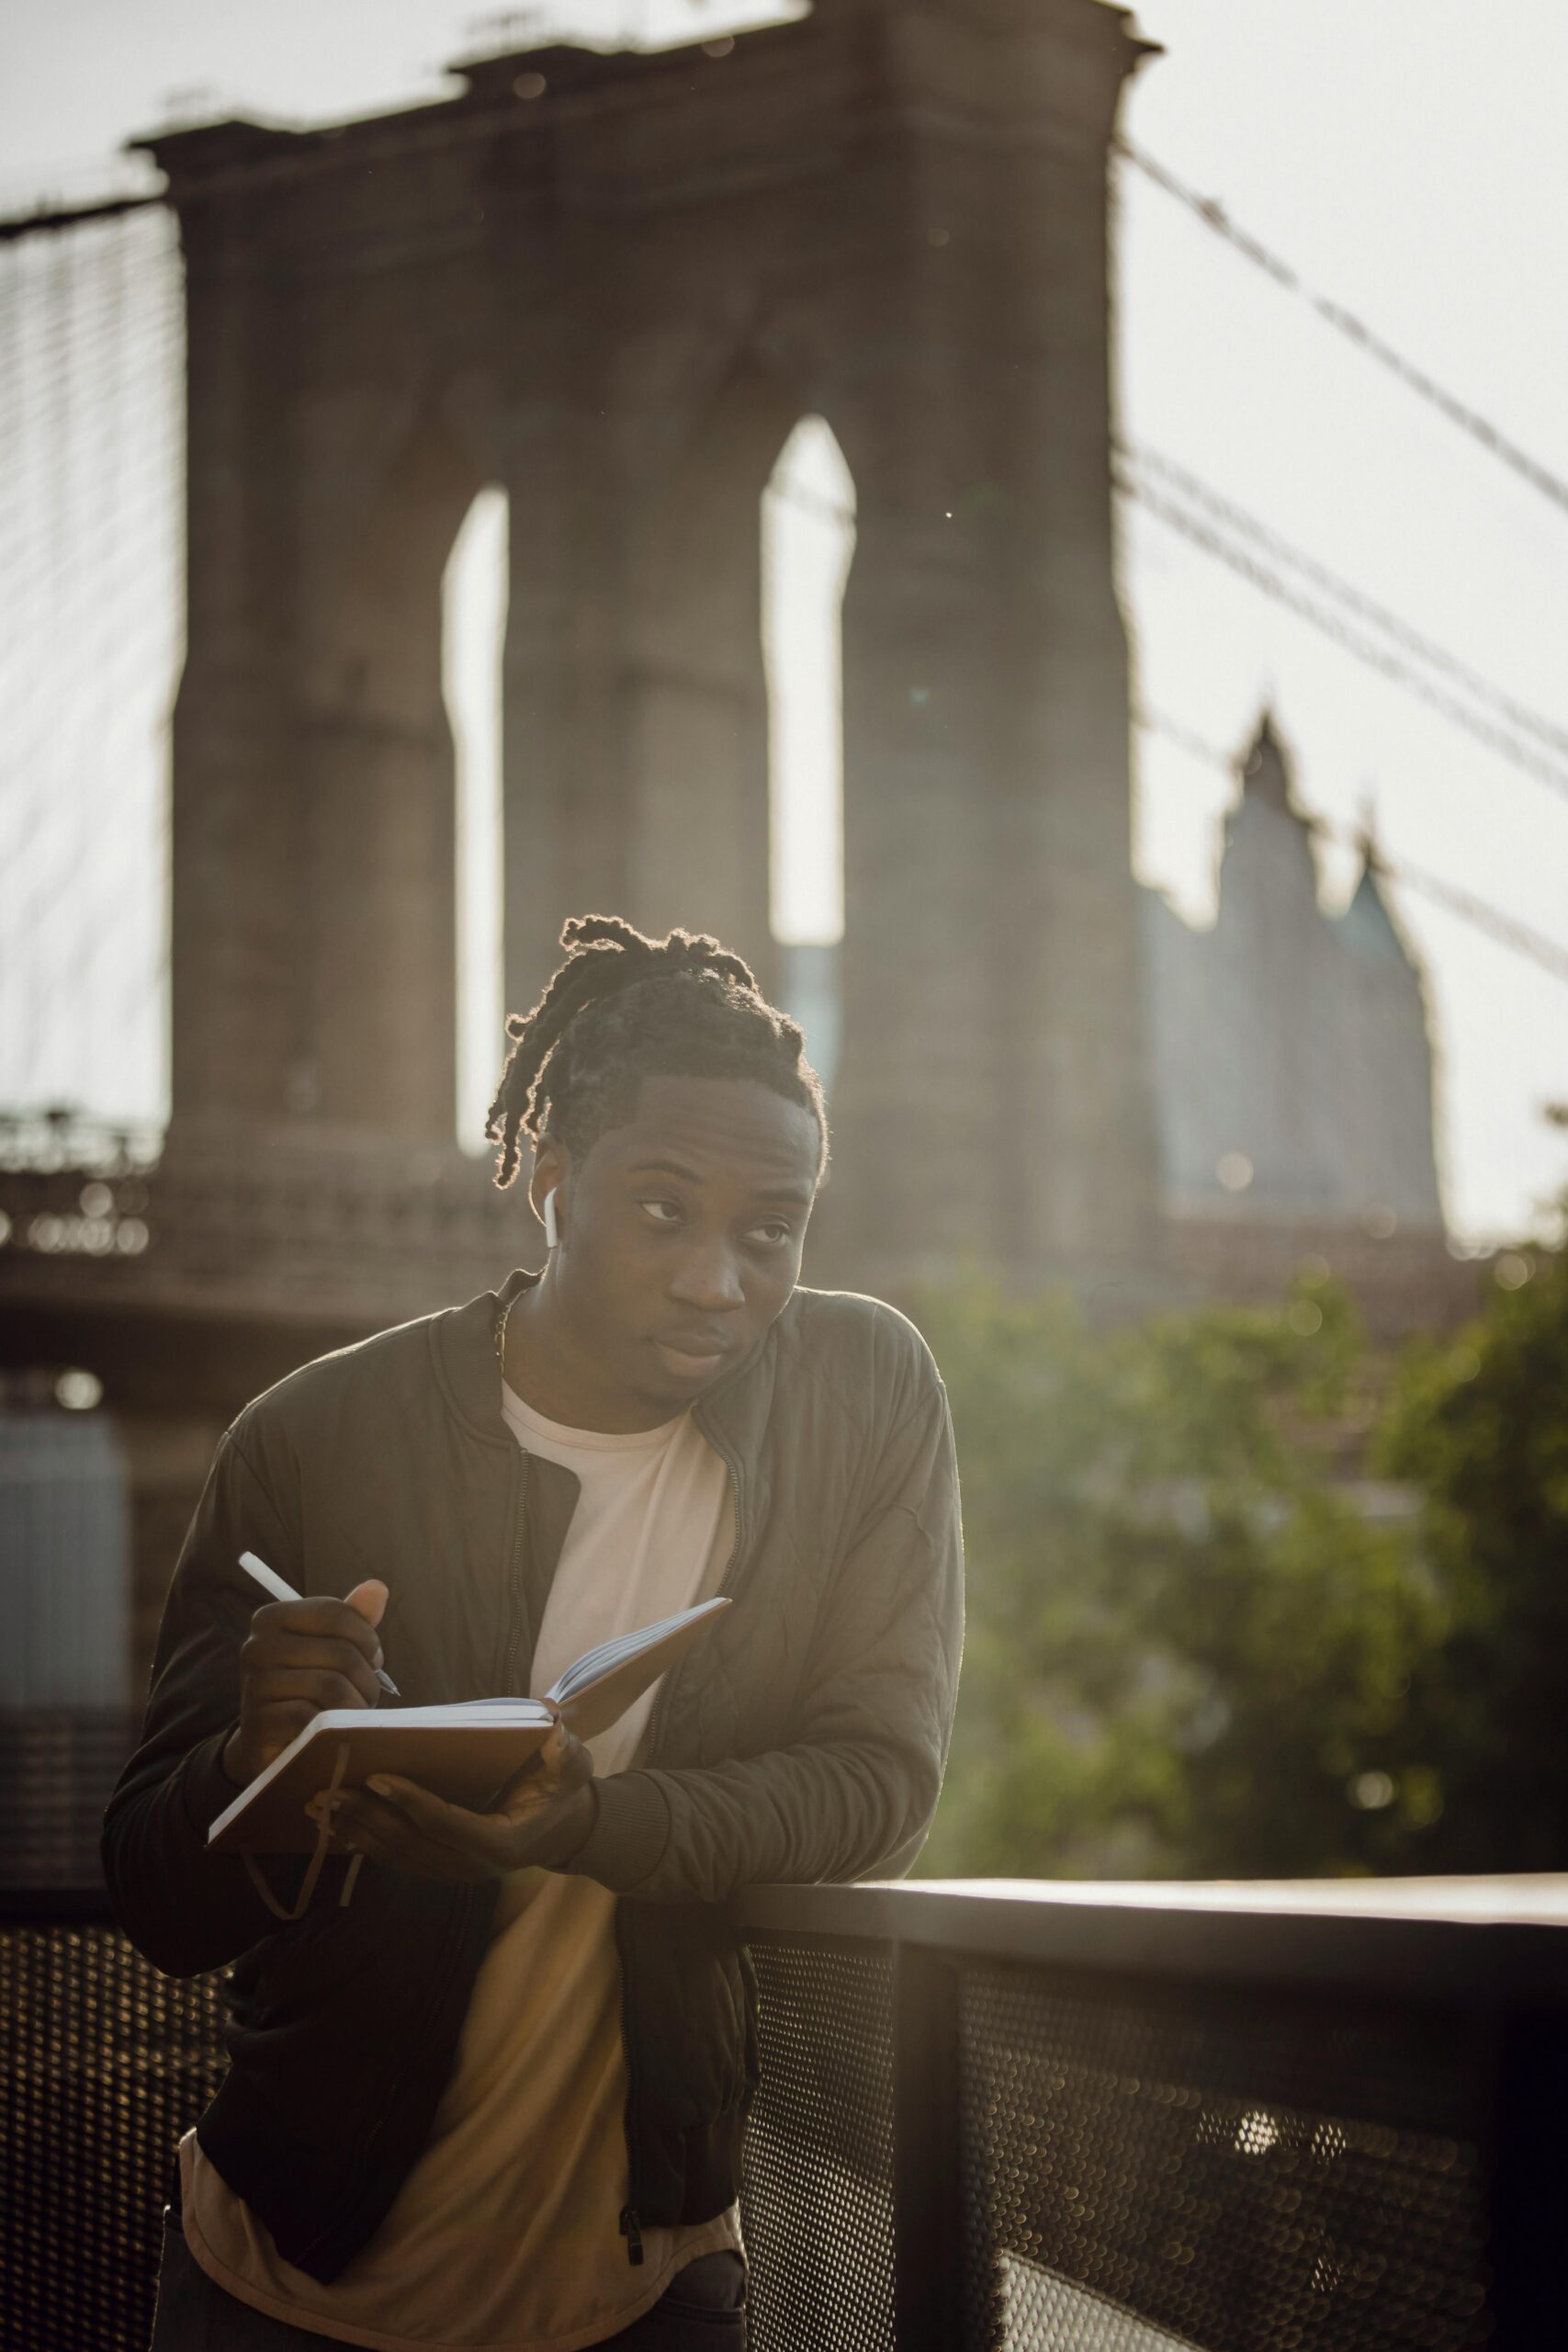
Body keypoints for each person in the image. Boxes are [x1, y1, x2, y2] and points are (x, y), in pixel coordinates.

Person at [105, 913, 964, 2352]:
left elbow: (880, 1785)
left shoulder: (863, 1393)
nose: (719, 1280)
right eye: (660, 1209)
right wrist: (254, 1762)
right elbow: (153, 1894)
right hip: (288, 2281)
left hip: (648, 2284)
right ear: (551, 1176)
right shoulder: (313, 1436)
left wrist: (590, 1827)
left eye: (771, 1230)